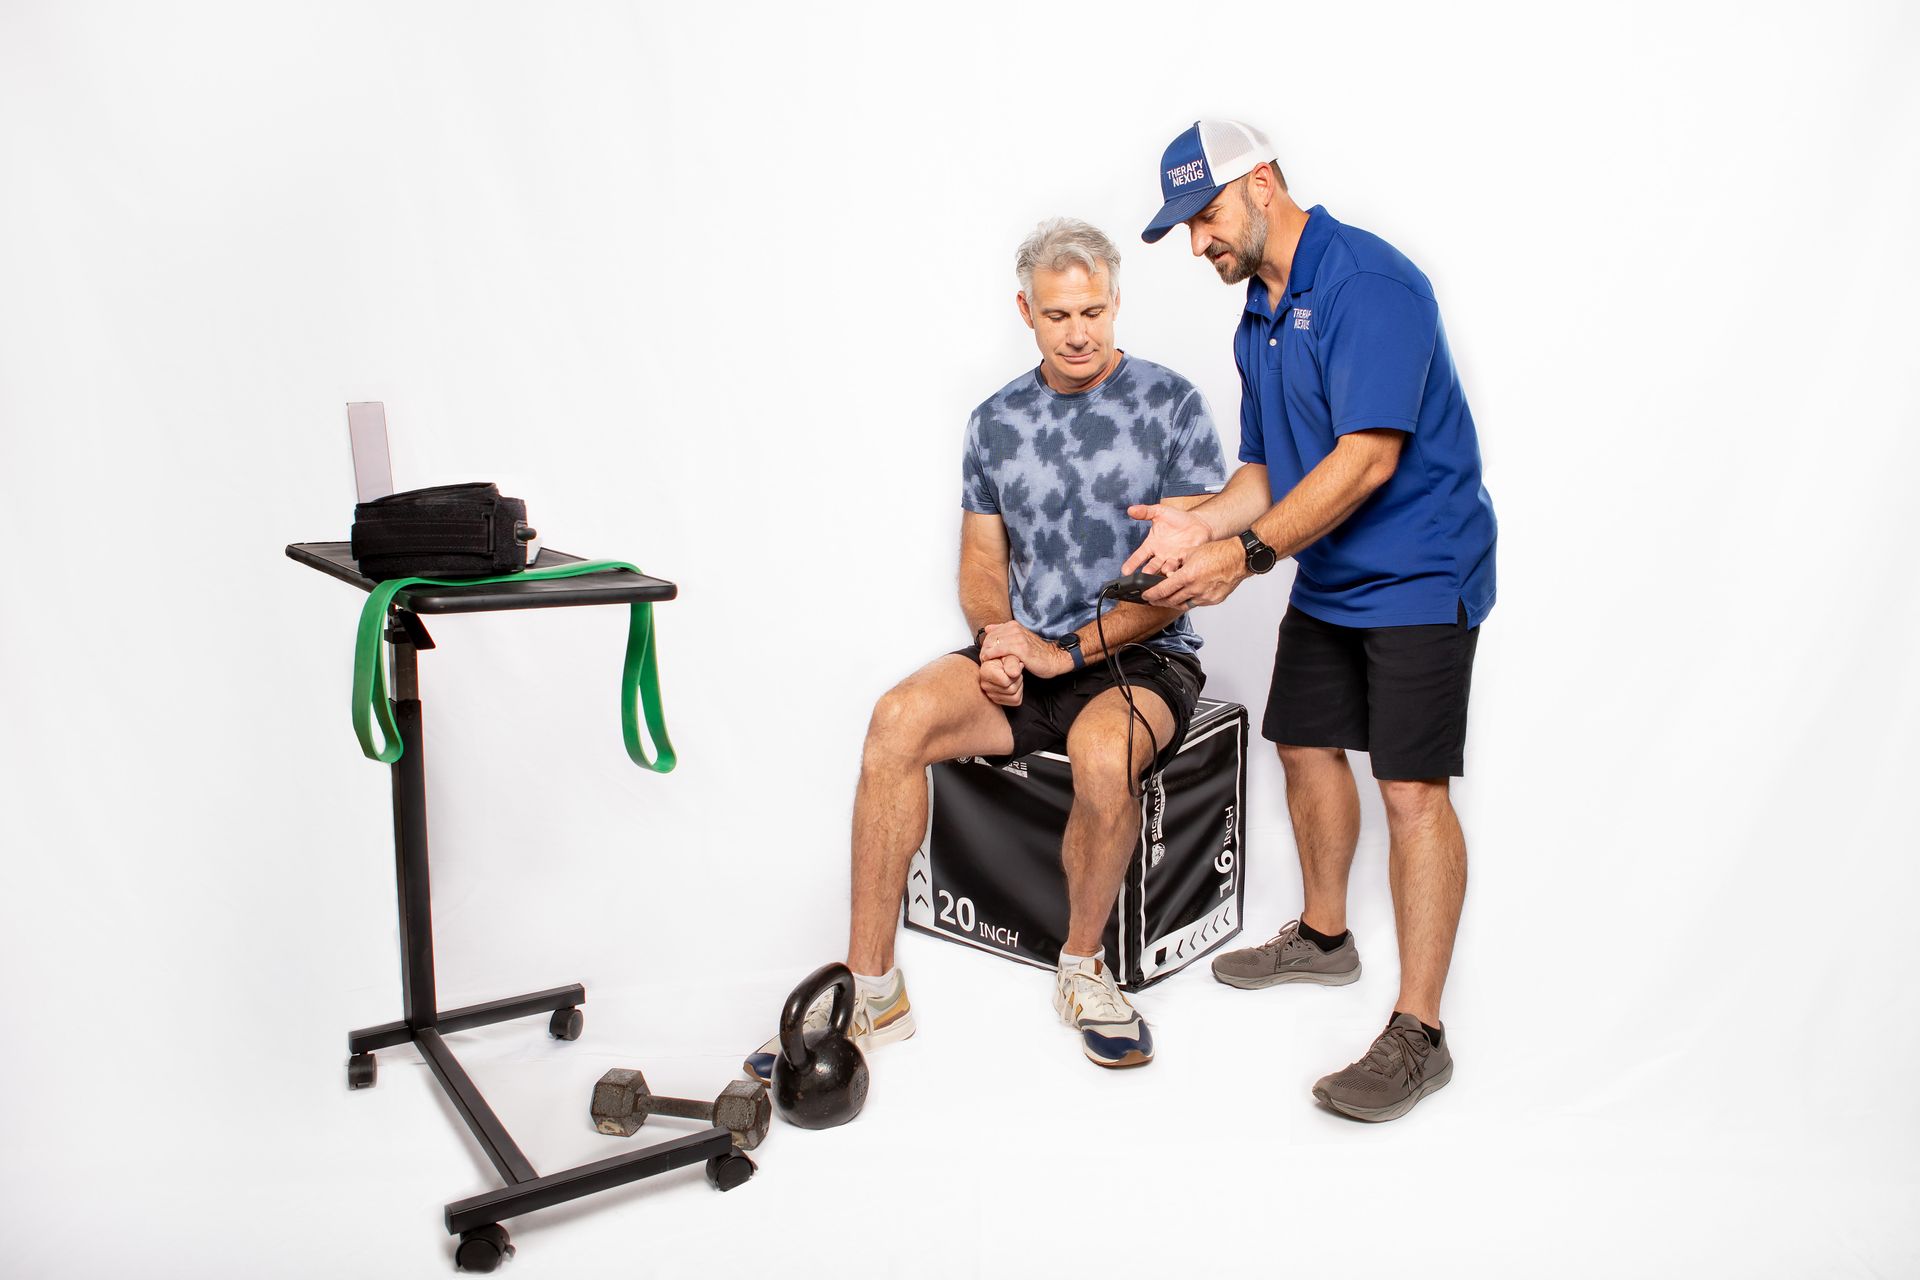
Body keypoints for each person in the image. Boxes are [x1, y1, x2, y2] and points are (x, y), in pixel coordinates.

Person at [745, 217, 1226, 1079]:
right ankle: (872, 988)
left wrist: (1064, 653)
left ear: (1117, 304)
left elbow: (1175, 586)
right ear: (1026, 312)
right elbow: (980, 563)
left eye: (1092, 311)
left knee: (1102, 753)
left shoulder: (1172, 405)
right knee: (896, 719)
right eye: (1056, 315)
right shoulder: (996, 420)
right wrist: (997, 640)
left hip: (1139, 659)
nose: (1077, 332)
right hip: (1029, 654)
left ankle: (1083, 968)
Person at [1129, 120, 1497, 1121]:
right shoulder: (1256, 311)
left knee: (1412, 790)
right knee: (1301, 743)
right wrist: (1201, 517)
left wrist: (1243, 555)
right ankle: (1326, 936)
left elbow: (1367, 457)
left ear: (1260, 184)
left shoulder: (1368, 283)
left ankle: (1420, 1031)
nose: (1198, 242)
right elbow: (1267, 474)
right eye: (1185, 226)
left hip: (1422, 567)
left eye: (1205, 215)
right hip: (1330, 565)